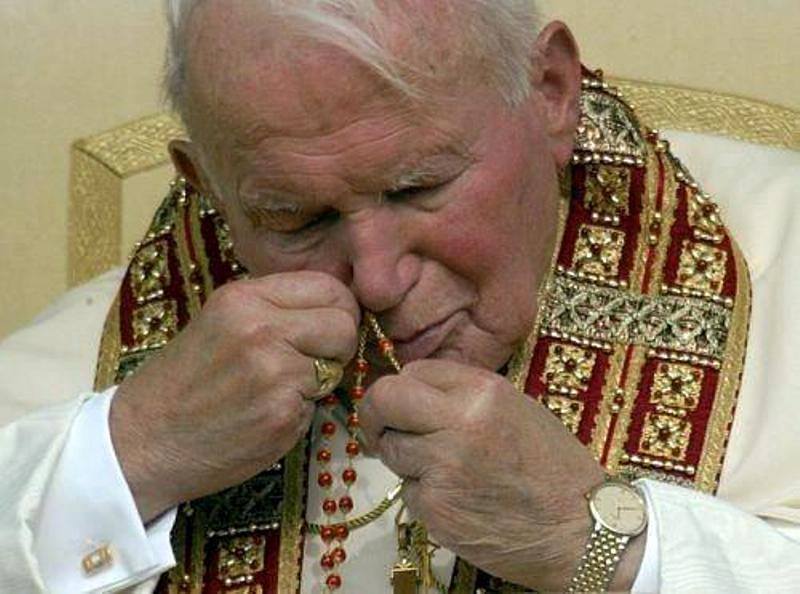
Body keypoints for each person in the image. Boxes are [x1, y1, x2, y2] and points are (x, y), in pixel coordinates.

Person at [1, 1, 799, 592]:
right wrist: (131, 456)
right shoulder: (97, 357)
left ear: (551, 92)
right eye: (295, 218)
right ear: (207, 186)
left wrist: (598, 542)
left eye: (419, 188)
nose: (377, 279)